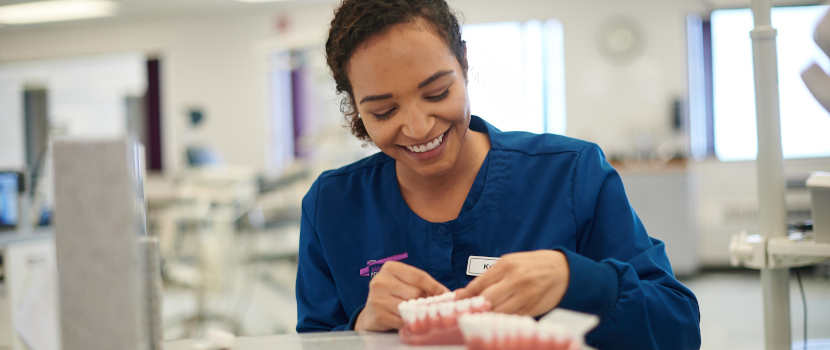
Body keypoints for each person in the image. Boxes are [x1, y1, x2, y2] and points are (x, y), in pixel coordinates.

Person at [295, 0, 701, 348]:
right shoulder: (331, 207)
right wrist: (362, 328)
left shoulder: (570, 175)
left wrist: (578, 280)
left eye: (437, 93)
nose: (419, 128)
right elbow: (312, 340)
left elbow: (678, 328)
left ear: (465, 63)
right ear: (357, 110)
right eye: (384, 112)